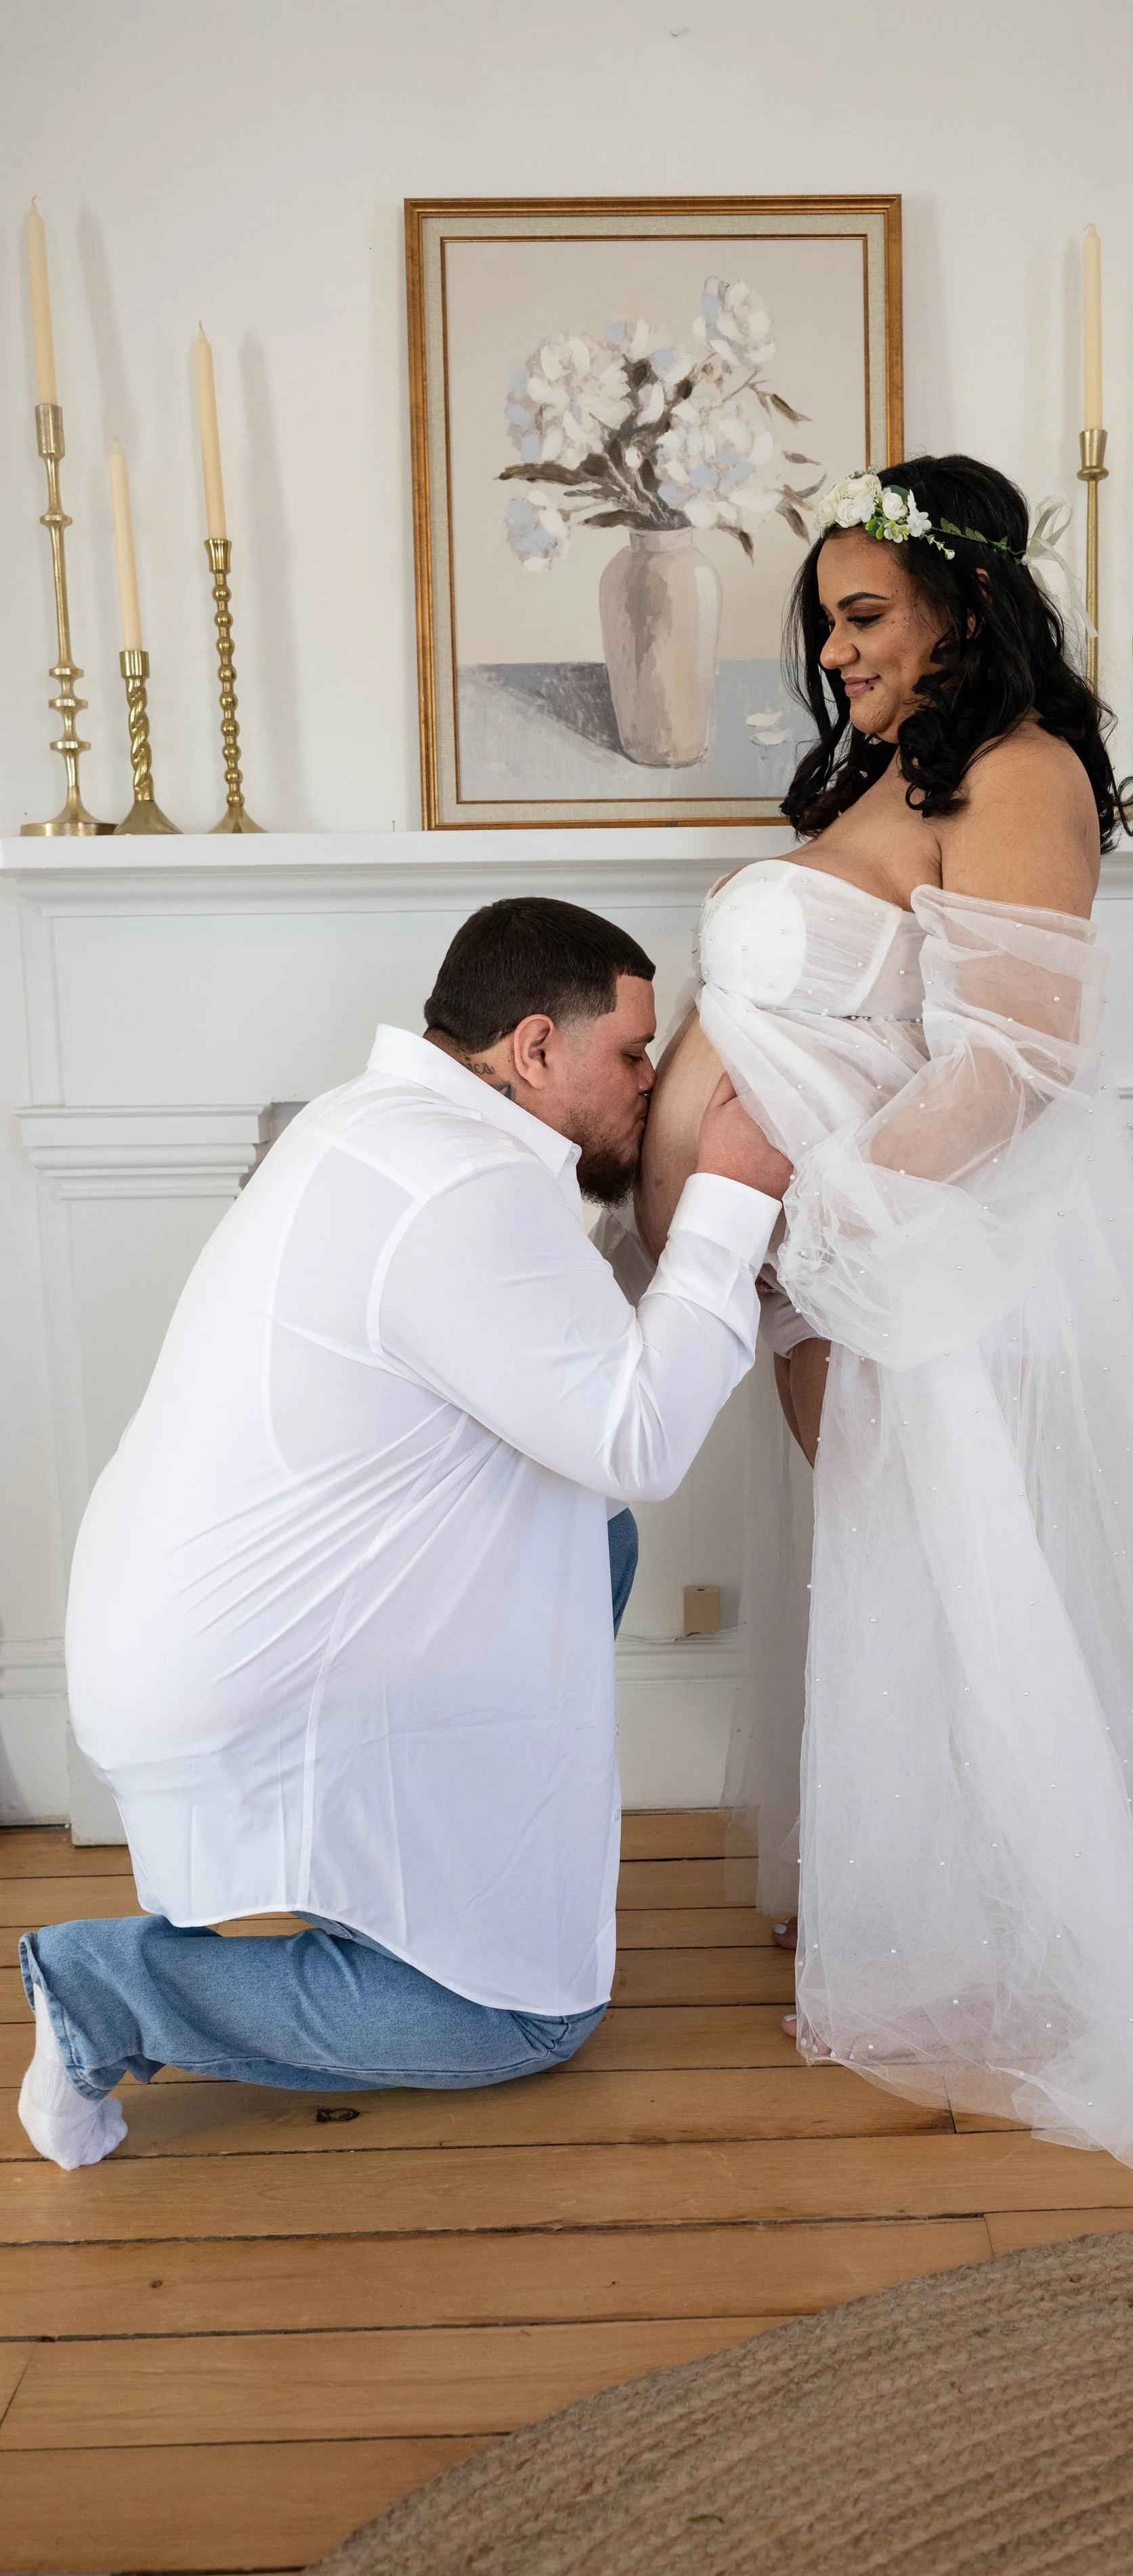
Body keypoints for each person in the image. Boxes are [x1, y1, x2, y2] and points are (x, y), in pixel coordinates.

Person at [633, 456, 1133, 2201]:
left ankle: (995, 1951)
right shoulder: (898, 775)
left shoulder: (1019, 771)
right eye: (827, 624)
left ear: (967, 605)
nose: (835, 655)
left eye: (863, 616)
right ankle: (918, 1921)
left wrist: (825, 1210)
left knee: (950, 1585)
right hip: (821, 1266)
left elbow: (1012, 1064)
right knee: (894, 1584)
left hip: (914, 1262)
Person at [20, 897, 790, 2170]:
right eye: (633, 1055)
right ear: (536, 1049)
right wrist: (728, 1196)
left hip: (205, 1628)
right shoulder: (457, 1186)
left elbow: (566, 1384)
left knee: (593, 1541)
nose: (650, 1085)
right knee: (530, 2016)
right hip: (245, 1676)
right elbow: (638, 1440)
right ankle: (111, 1991)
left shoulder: (384, 1127)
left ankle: (412, 1888)